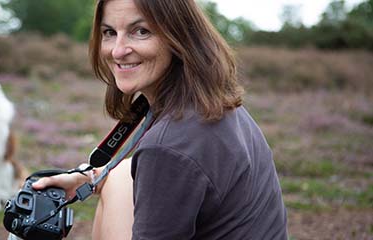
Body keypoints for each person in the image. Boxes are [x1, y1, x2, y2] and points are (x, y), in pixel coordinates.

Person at [33, 0, 288, 239]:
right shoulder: (210, 103)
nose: (118, 51)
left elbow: (170, 159)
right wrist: (90, 179)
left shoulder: (168, 146)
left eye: (141, 31)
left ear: (178, 36)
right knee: (120, 174)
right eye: (109, 32)